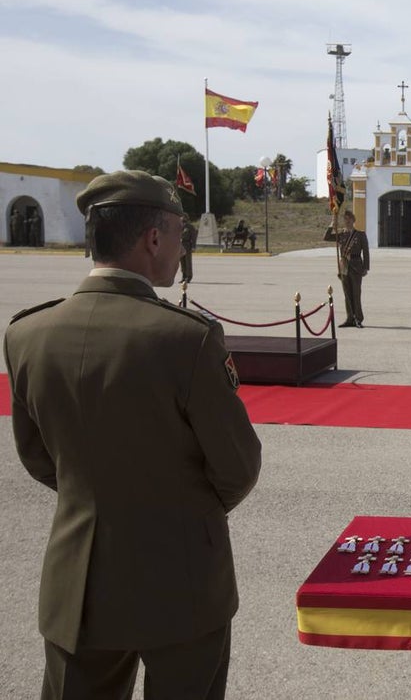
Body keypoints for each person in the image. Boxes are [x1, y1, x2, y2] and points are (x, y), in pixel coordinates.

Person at [3, 170, 262, 700]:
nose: (179, 248)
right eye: (178, 235)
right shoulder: (186, 339)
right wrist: (182, 514)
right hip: (183, 580)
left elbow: (37, 456)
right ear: (152, 239)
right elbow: (237, 466)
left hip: (78, 584)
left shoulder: (27, 334)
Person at [324, 209, 370, 328]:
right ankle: (350, 318)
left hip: (356, 266)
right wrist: (332, 225)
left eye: (349, 218)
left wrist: (366, 267)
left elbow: (366, 252)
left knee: (356, 294)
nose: (347, 221)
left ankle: (358, 318)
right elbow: (326, 237)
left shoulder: (360, 234)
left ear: (353, 220)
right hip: (344, 267)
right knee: (347, 294)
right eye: (345, 219)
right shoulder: (341, 234)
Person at [180, 217, 198, 283]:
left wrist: (193, 246)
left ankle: (189, 277)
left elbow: (193, 237)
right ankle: (183, 276)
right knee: (182, 262)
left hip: (187, 246)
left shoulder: (190, 227)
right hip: (180, 246)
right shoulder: (179, 226)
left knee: (188, 262)